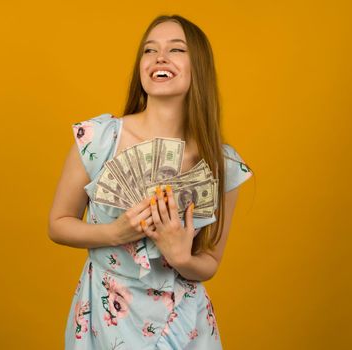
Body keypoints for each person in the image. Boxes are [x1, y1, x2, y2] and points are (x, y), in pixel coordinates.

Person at [48, 14, 254, 350]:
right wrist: (114, 233)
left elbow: (210, 263)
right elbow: (57, 224)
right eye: (149, 50)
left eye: (176, 49)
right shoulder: (99, 139)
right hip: (105, 316)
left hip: (184, 319)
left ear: (198, 67)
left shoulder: (223, 164)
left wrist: (182, 258)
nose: (160, 57)